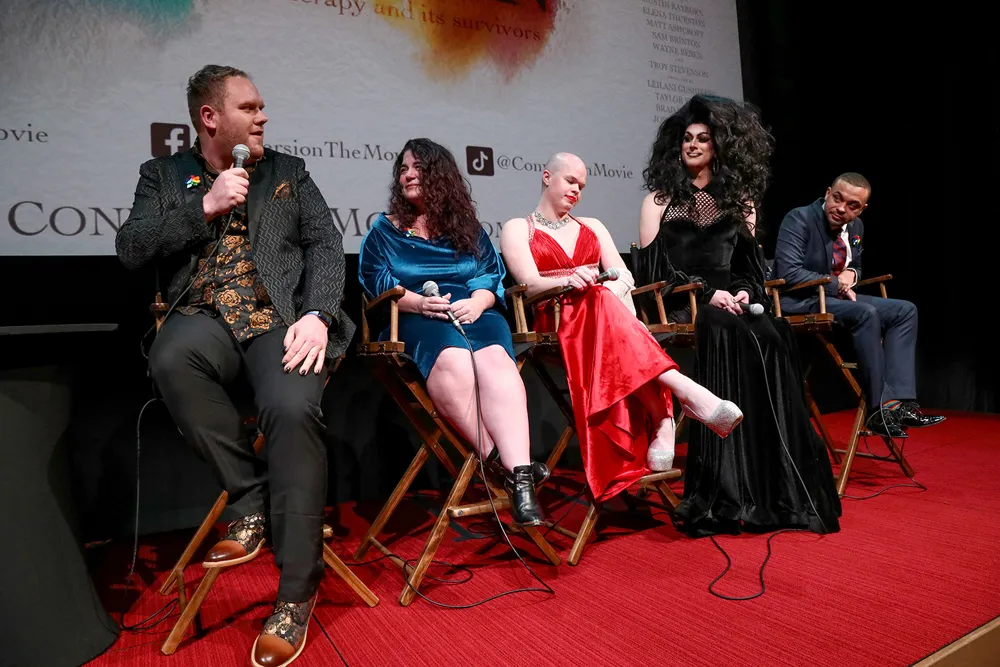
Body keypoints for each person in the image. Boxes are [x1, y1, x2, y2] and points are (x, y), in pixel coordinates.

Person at [116, 65, 353, 667]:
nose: (262, 117)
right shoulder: (162, 176)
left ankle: (294, 595)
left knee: (292, 410)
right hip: (206, 317)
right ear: (210, 117)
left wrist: (319, 313)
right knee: (170, 356)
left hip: (279, 319)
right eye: (249, 108)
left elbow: (326, 245)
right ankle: (250, 500)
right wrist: (204, 206)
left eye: (262, 106)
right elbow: (131, 248)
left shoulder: (288, 171)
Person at [637, 94, 841, 537]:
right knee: (726, 328)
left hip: (734, 298)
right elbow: (654, 272)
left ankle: (774, 490)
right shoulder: (659, 199)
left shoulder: (740, 201)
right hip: (687, 300)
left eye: (703, 139)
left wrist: (745, 290)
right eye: (687, 138)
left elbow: (750, 267)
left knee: (771, 332)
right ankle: (726, 495)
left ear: (718, 147)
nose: (693, 145)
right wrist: (710, 294)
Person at [499, 152, 742, 503]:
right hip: (555, 319)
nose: (577, 190)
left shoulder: (593, 226)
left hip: (604, 318)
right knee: (600, 301)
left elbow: (624, 276)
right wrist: (568, 281)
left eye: (582, 186)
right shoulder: (518, 227)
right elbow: (529, 284)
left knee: (602, 298)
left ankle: (668, 415)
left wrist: (607, 289)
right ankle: (676, 400)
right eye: (570, 181)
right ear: (547, 177)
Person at [358, 138, 548, 526]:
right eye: (403, 169)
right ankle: (508, 466)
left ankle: (520, 482)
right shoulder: (385, 231)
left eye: (418, 168)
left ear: (440, 176)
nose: (408, 175)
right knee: (455, 360)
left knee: (496, 362)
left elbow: (489, 275)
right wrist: (419, 304)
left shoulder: (467, 229)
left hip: (473, 309)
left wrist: (478, 303)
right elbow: (377, 282)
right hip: (416, 313)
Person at [774, 173, 945, 438]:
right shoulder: (799, 218)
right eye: (837, 199)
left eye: (852, 205)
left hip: (833, 299)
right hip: (800, 300)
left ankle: (903, 404)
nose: (842, 208)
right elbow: (789, 272)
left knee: (905, 311)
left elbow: (856, 265)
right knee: (866, 313)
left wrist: (852, 274)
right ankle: (880, 409)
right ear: (828, 193)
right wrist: (837, 283)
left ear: (862, 209)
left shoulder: (856, 228)